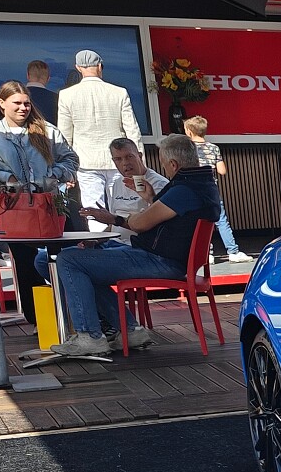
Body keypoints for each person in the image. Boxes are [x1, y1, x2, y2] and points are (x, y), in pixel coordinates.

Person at [52, 134, 219, 356]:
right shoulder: (202, 184)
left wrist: (115, 219)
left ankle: (89, 336)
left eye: (162, 161)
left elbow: (140, 224)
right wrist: (150, 199)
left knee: (68, 259)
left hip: (161, 261)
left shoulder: (183, 191)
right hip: (168, 258)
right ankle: (130, 331)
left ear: (173, 164)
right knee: (80, 264)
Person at [0, 80, 78, 305]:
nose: (23, 108)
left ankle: (72, 309)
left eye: (27, 103)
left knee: (64, 258)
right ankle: (37, 317)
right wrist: (4, 177)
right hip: (13, 207)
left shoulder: (47, 130)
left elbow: (71, 159)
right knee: (25, 264)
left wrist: (53, 175)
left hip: (49, 204)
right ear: (2, 103)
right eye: (17, 103)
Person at [56, 49, 140, 209]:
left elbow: (64, 136)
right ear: (100, 66)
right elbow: (132, 130)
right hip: (119, 160)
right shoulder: (119, 93)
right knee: (124, 207)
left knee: (93, 209)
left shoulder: (66, 95)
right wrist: (138, 159)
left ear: (78, 68)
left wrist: (66, 167)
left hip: (85, 161)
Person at [182, 116, 249, 263]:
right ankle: (233, 251)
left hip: (193, 190)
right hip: (211, 190)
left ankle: (207, 253)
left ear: (189, 131)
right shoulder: (214, 148)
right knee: (221, 220)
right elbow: (222, 171)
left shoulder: (187, 149)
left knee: (200, 222)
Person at [81, 137, 166, 247]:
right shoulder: (117, 182)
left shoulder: (158, 184)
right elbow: (113, 227)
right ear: (113, 162)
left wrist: (114, 220)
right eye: (118, 159)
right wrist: (95, 240)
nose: (125, 163)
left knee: (68, 256)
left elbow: (153, 227)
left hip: (136, 246)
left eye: (129, 157)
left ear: (140, 156)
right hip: (113, 243)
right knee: (71, 251)